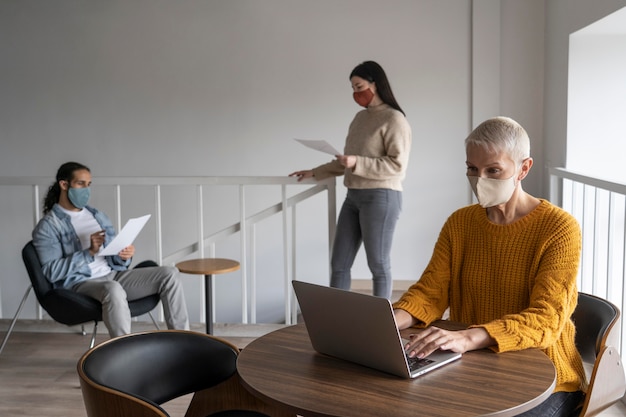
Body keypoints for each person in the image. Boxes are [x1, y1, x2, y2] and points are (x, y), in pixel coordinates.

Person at [392, 117, 586, 417]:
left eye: (493, 170)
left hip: (546, 377)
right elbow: (430, 294)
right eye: (472, 169)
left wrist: (468, 337)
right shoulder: (460, 223)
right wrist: (391, 320)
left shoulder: (559, 228)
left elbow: (546, 320)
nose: (479, 179)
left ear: (523, 168)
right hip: (473, 366)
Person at [290, 61, 411, 299]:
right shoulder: (359, 119)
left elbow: (397, 166)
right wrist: (315, 172)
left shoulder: (394, 119)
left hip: (381, 197)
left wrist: (357, 162)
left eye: (359, 86)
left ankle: (382, 323)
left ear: (375, 84)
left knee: (378, 264)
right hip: (353, 196)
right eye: (353, 88)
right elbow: (346, 161)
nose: (356, 93)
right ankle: (338, 319)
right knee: (339, 263)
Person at [32, 162, 190, 337]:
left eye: (89, 184)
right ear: (64, 184)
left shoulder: (97, 215)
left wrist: (124, 256)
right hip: (80, 284)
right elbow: (52, 273)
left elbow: (113, 257)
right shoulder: (48, 226)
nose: (86, 189)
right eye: (80, 183)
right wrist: (88, 253)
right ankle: (123, 353)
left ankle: (183, 340)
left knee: (170, 273)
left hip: (114, 275)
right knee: (112, 288)